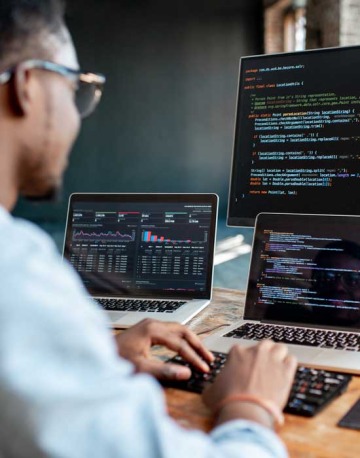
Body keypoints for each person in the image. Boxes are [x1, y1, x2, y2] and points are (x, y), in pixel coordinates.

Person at [0, 1, 297, 457]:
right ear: (27, 86)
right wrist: (250, 406)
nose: (78, 115)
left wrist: (94, 363)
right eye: (76, 88)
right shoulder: (17, 276)